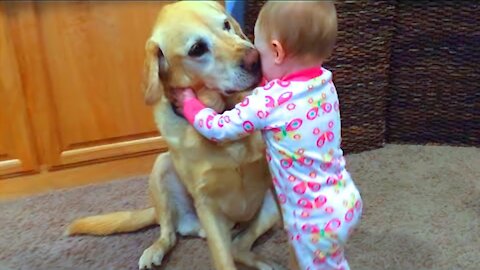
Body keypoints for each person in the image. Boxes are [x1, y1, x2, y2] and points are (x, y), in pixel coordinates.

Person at [173, 1, 362, 269]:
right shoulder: (323, 83)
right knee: (332, 260)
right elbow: (285, 90)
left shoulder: (267, 102)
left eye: (256, 49)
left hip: (312, 219)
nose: (253, 60)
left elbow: (220, 128)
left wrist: (191, 105)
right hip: (344, 197)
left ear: (276, 51)